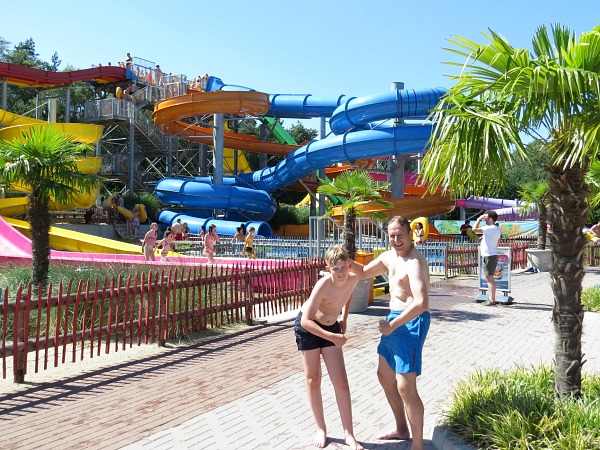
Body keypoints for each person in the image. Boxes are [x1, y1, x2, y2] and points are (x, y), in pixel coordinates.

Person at [350, 216, 430, 450]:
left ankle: (417, 446)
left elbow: (421, 303)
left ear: (409, 234)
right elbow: (364, 272)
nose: (395, 239)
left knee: (405, 386)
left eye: (400, 235)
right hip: (393, 321)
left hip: (411, 321)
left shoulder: (414, 262)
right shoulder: (389, 256)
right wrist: (345, 259)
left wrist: (393, 326)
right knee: (384, 375)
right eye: (391, 235)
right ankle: (401, 428)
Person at [294, 246, 363, 450]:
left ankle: (349, 434)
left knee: (341, 382)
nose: (341, 272)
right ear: (328, 269)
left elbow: (348, 294)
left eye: (344, 267)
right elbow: (306, 321)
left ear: (349, 265)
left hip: (332, 326)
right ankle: (321, 429)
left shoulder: (352, 278)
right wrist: (332, 336)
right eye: (336, 269)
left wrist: (344, 317)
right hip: (309, 329)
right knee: (313, 379)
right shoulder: (323, 284)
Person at [472, 210, 502, 306]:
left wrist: (478, 219)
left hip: (488, 255)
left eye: (486, 217)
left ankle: (492, 299)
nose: (485, 218)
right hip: (492, 254)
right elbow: (497, 241)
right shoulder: (496, 229)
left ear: (491, 219)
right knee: (488, 277)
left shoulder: (489, 228)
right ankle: (491, 298)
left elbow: (474, 229)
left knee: (490, 279)